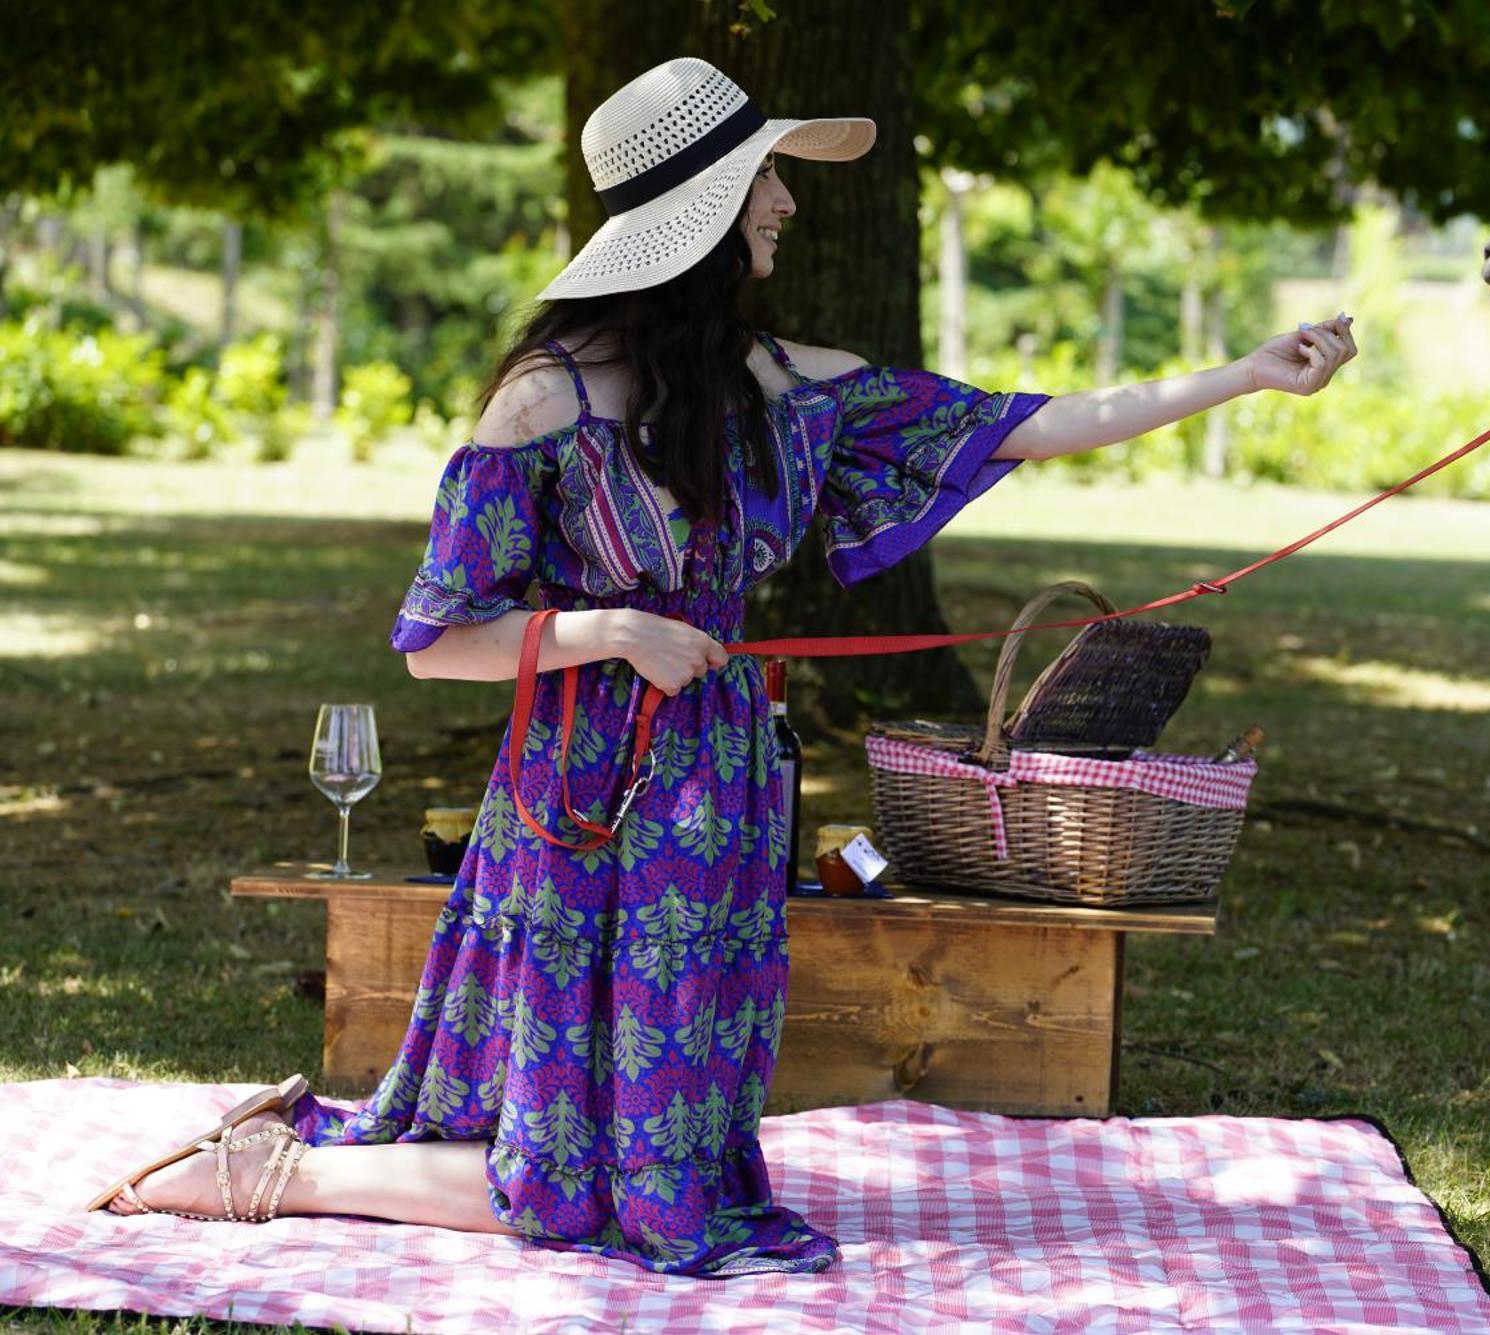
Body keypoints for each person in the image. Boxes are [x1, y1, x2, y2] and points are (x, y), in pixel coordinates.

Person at [86, 56, 1357, 1276]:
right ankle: (275, 1176)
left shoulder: (789, 387)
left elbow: (1030, 424)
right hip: (582, 793)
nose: (789, 201)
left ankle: (368, 1167)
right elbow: (437, 646)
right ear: (701, 214)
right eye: (764, 178)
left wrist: (1243, 378)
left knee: (673, 1171)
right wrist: (606, 629)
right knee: (572, 1188)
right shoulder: (543, 401)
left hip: (722, 783)